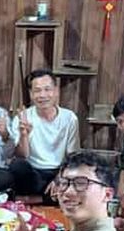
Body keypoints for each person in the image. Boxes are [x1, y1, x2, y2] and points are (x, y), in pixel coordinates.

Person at [9, 69, 80, 199]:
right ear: (31, 94)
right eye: (37, 90)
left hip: (58, 171)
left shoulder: (70, 118)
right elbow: (22, 156)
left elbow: (73, 156)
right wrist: (24, 134)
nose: (42, 95)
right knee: (17, 166)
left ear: (56, 91)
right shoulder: (23, 117)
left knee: (77, 177)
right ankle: (44, 198)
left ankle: (38, 198)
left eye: (47, 89)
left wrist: (60, 178)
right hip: (33, 172)